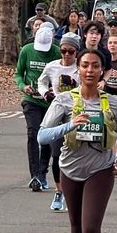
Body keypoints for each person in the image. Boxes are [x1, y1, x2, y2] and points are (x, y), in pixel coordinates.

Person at [39, 49, 117, 233]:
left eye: (95, 66)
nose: (90, 70)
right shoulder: (63, 100)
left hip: (101, 169)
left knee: (90, 227)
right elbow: (42, 136)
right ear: (78, 69)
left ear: (102, 70)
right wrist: (70, 125)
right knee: (76, 226)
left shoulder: (112, 102)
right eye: (85, 65)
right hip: (70, 168)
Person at [38, 32, 81, 211]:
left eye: (71, 51)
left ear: (77, 52)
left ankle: (76, 191)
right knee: (56, 155)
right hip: (57, 110)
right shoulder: (52, 67)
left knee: (75, 152)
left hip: (76, 112)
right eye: (63, 51)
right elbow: (41, 82)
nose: (67, 55)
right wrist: (45, 93)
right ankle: (59, 191)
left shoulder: (81, 67)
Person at [15, 21, 60, 191]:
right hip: (31, 99)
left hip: (50, 101)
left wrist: (55, 89)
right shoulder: (26, 50)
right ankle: (34, 175)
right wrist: (23, 86)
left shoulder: (57, 52)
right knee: (32, 133)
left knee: (46, 136)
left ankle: (42, 172)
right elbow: (18, 73)